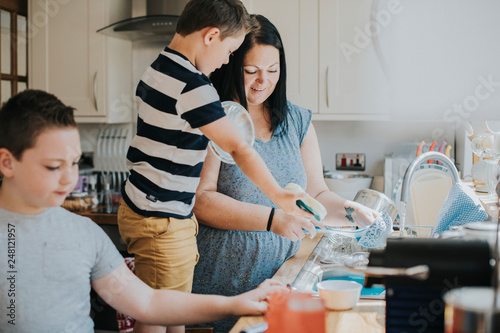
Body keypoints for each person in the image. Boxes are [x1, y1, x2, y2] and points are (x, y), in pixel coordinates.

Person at [0, 89, 288, 333]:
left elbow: (149, 303)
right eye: (53, 166)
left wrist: (237, 303)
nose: (70, 179)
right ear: (7, 162)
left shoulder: (84, 233)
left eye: (75, 162)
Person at [117, 1, 313, 333]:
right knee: (158, 315)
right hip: (163, 219)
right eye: (230, 51)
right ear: (211, 36)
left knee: (170, 313)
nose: (226, 61)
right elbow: (238, 148)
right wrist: (278, 196)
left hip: (141, 210)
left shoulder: (159, 68)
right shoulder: (194, 86)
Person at [191, 15, 378, 332]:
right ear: (232, 65)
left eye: (272, 71)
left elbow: (316, 195)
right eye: (251, 71)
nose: (262, 81)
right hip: (223, 285)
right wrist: (273, 217)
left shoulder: (297, 122)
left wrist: (350, 209)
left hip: (283, 281)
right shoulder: (218, 117)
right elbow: (203, 200)